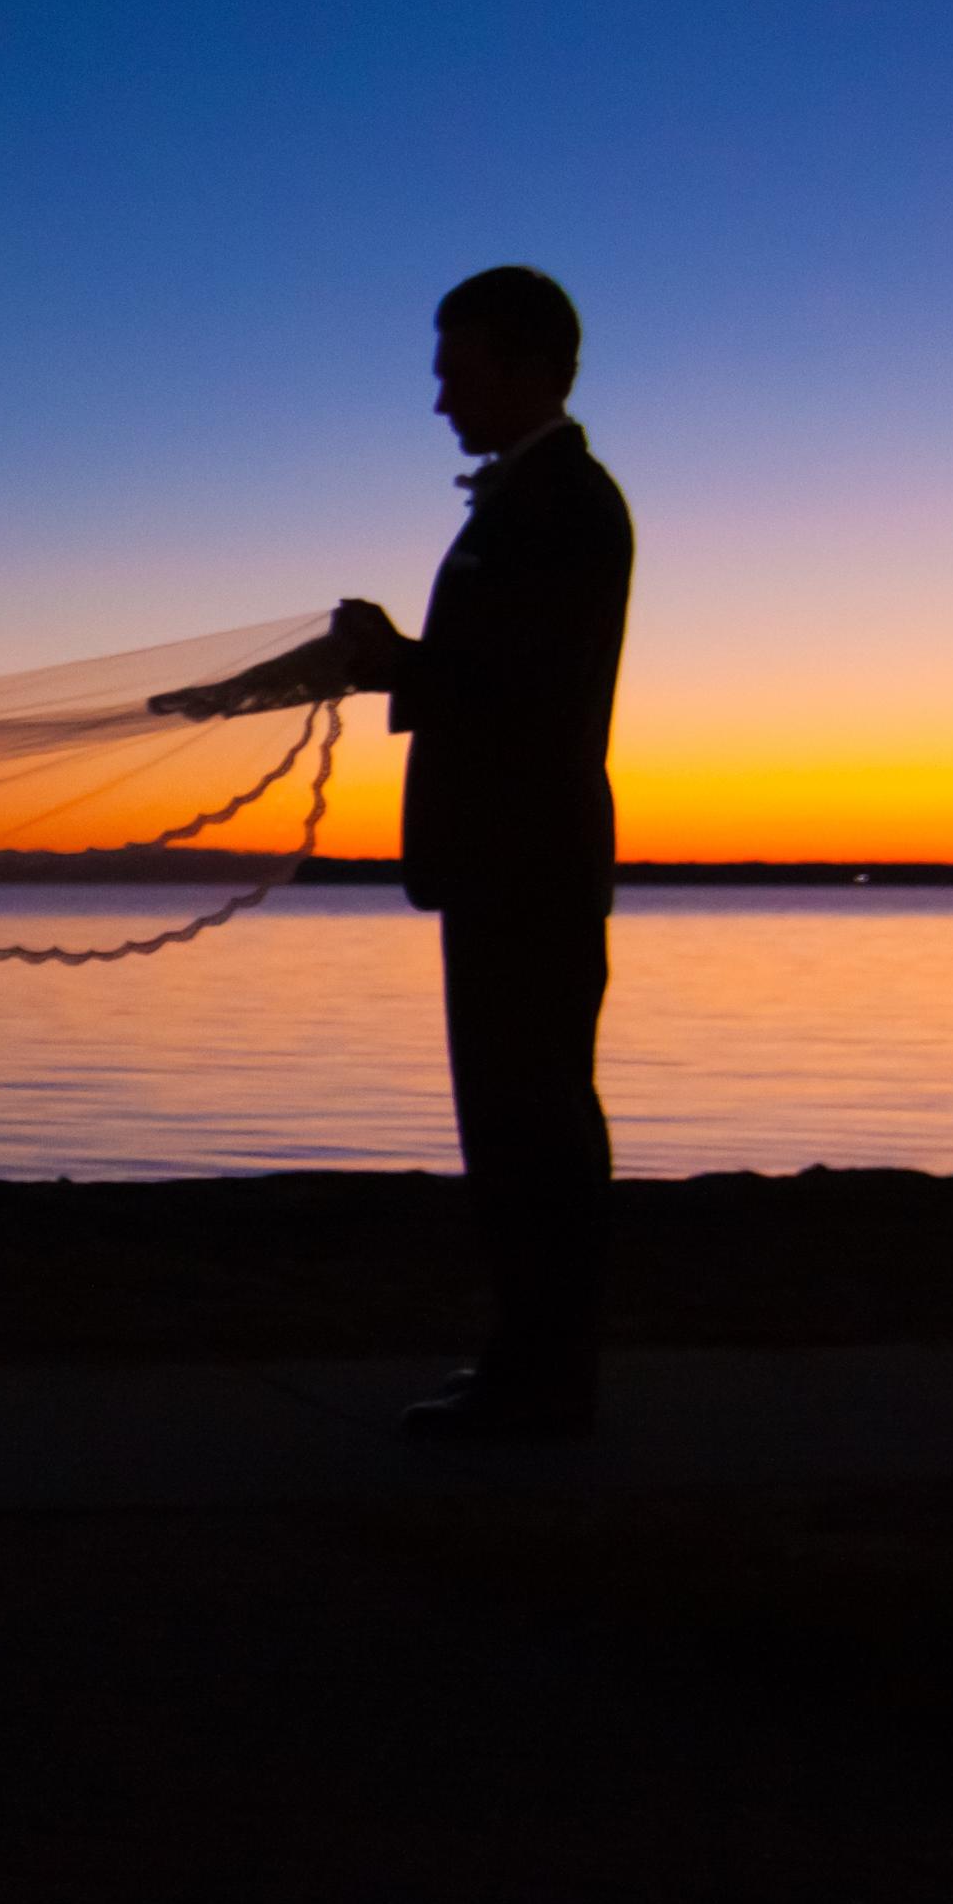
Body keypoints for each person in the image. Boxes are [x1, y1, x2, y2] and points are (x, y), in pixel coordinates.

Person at [333, 267, 631, 1439]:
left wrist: (394, 660)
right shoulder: (528, 500)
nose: (443, 397)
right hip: (505, 865)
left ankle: (542, 1388)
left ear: (521, 365)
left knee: (535, 1130)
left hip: (530, 865)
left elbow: (526, 687)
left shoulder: (568, 503)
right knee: (510, 1129)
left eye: (457, 370)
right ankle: (526, 1370)